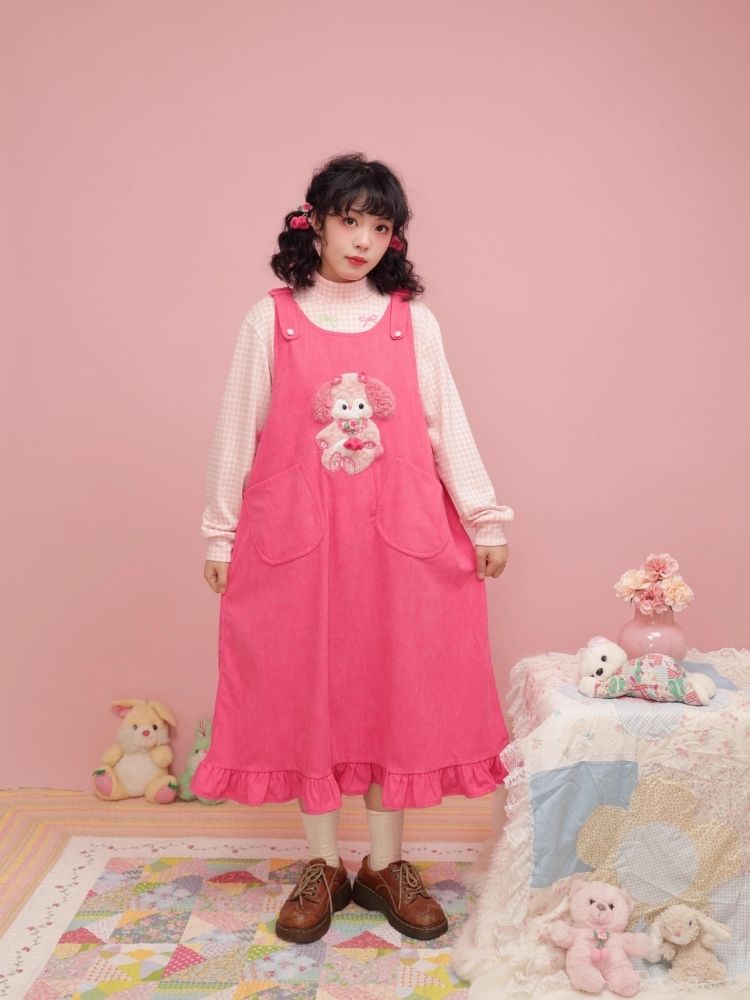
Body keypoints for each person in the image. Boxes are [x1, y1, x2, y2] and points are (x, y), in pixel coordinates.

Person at [191, 151, 514, 945]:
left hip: (397, 541)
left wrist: (484, 518)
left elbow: (445, 423)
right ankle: (324, 864)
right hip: (299, 542)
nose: (363, 239)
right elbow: (237, 429)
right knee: (306, 688)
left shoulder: (412, 321)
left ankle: (386, 864)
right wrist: (219, 530)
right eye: (349, 221)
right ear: (316, 223)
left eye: (380, 225)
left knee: (394, 690)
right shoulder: (271, 318)